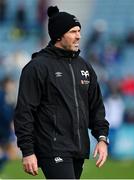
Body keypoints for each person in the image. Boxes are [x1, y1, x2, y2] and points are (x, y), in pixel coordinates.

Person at [14, 6, 109, 179]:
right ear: (59, 35)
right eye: (73, 31)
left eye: (79, 31)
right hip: (52, 149)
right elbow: (24, 111)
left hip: (78, 149)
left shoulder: (84, 67)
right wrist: (27, 151)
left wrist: (102, 139)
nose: (78, 36)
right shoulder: (37, 67)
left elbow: (96, 107)